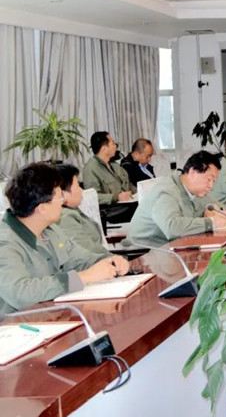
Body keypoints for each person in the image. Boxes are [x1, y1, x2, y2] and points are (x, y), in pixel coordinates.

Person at [0, 163, 129, 313]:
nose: (63, 202)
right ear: (42, 208)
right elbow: (21, 293)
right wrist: (82, 278)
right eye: (59, 197)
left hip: (56, 313)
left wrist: (111, 261)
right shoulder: (5, 243)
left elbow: (81, 259)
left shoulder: (50, 231)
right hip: (19, 323)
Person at [128, 150, 226, 247]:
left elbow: (221, 207)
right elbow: (172, 228)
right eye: (209, 179)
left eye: (214, 181)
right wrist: (210, 222)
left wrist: (214, 209)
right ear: (192, 172)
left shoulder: (197, 191)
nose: (211, 186)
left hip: (173, 246)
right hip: (144, 251)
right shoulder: (167, 191)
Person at [54, 164, 112, 256]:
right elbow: (89, 250)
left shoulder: (72, 210)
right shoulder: (65, 218)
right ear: (63, 193)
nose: (81, 190)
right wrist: (121, 261)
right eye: (78, 186)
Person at [83, 131, 136, 205]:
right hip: (112, 209)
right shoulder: (90, 169)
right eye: (113, 144)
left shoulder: (115, 165)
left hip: (128, 203)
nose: (115, 146)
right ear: (104, 149)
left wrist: (138, 192)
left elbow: (128, 184)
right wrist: (116, 197)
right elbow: (93, 197)